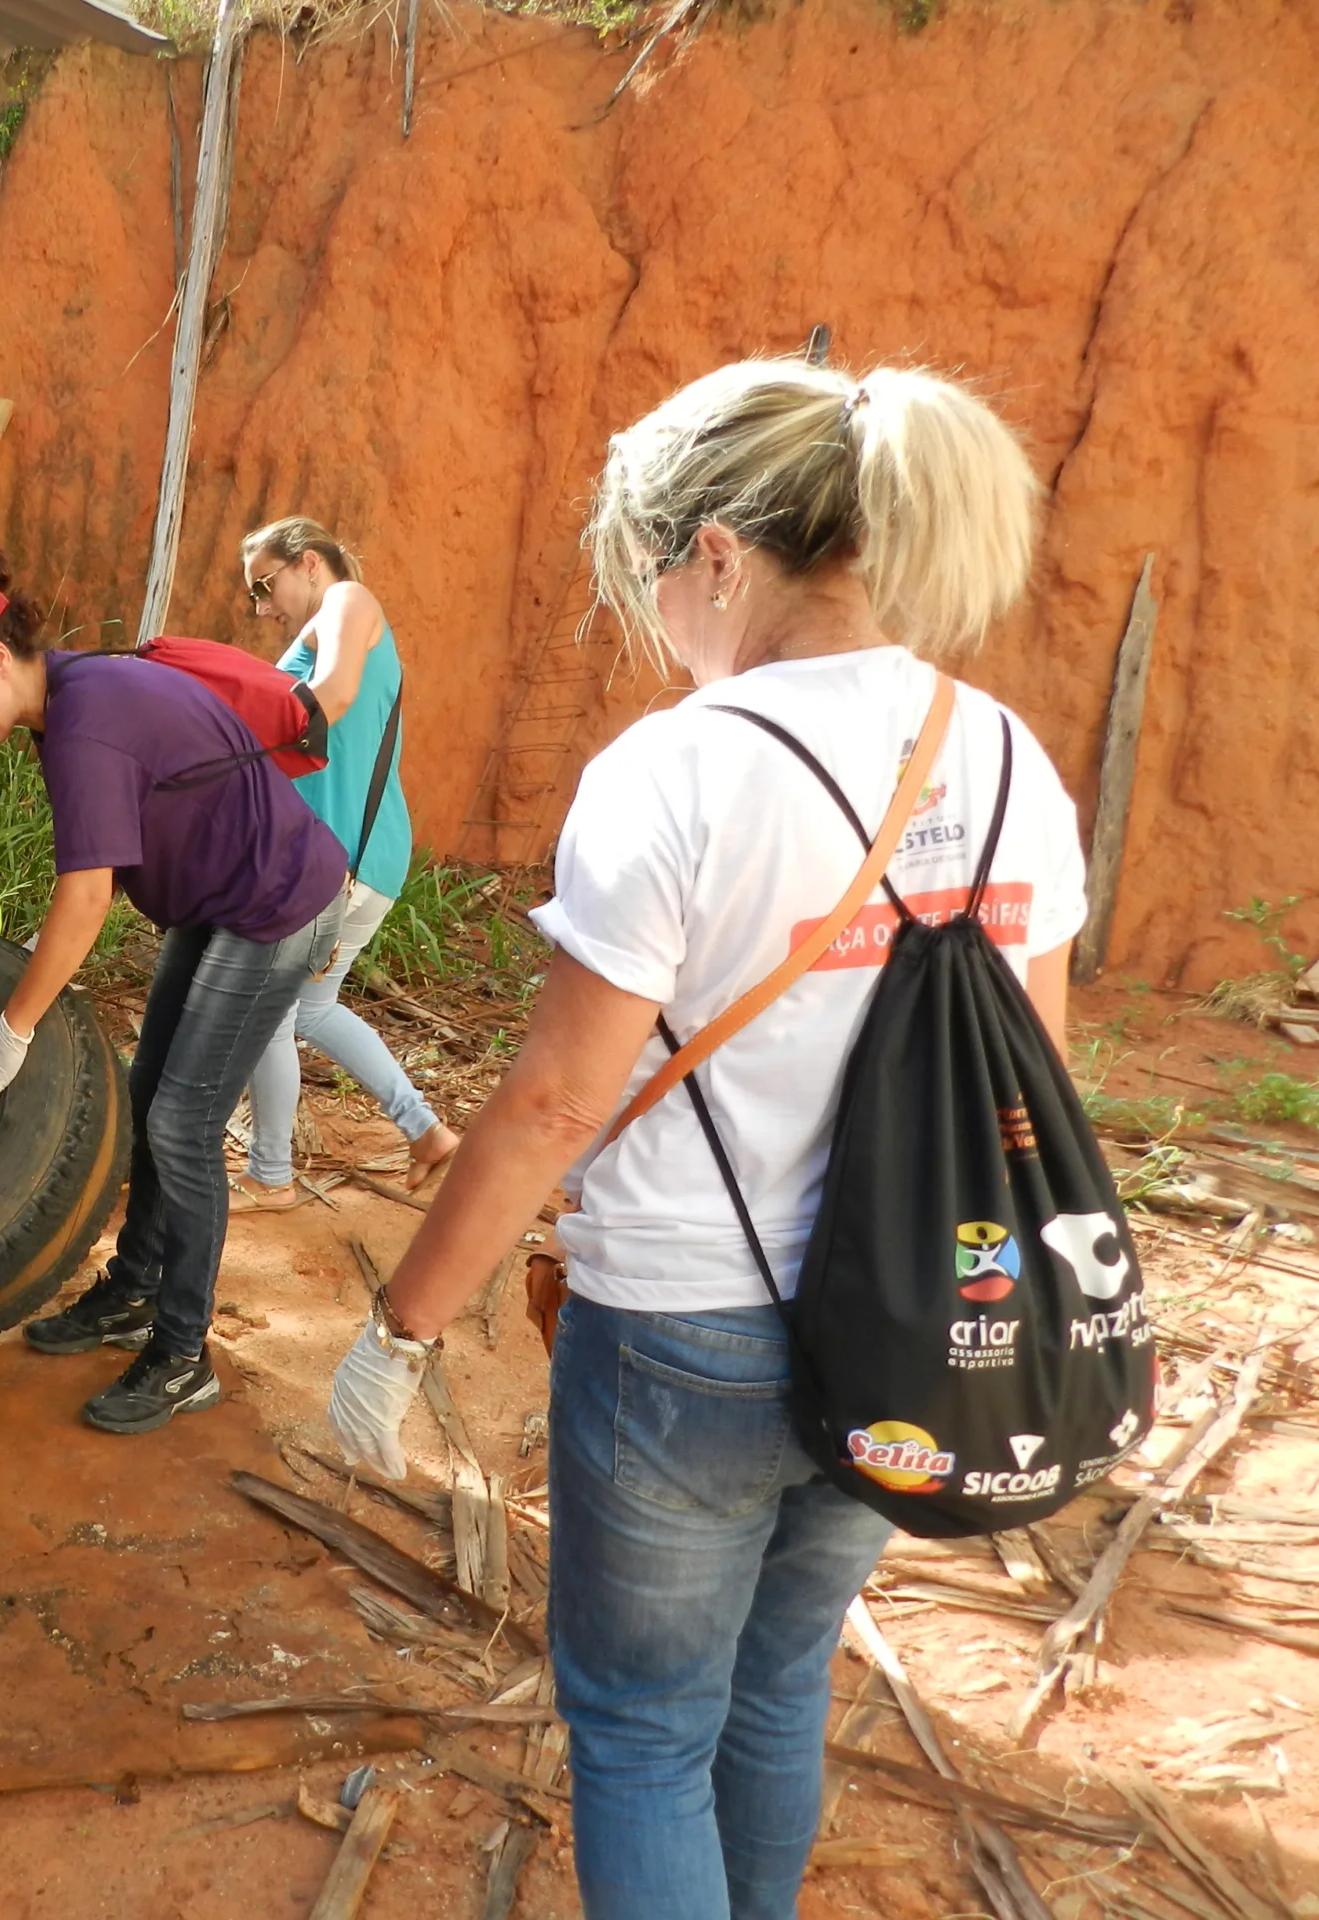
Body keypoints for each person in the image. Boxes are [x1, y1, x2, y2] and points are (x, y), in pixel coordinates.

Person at [322, 361, 1086, 1917]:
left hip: (684, 1332)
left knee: (642, 1731)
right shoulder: (1009, 754)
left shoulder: (675, 768)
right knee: (782, 1679)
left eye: (652, 576)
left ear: (719, 554)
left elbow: (553, 1105)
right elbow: (1042, 1083)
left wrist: (402, 1329)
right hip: (911, 1329)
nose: (657, 615)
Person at [0, 553, 348, 1433]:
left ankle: (181, 1355)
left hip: (275, 909)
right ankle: (133, 1292)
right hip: (221, 905)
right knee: (150, 1104)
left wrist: (11, 1030)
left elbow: (87, 898)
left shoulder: (84, 723)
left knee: (183, 1125)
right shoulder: (74, 699)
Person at [232, 516, 459, 1210]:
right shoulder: (326, 620)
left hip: (341, 864)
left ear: (307, 564)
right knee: (310, 1009)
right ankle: (425, 1131)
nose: (263, 608)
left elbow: (332, 694)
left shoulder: (348, 603)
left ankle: (270, 1175)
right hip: (357, 857)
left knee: (269, 1013)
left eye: (265, 587)